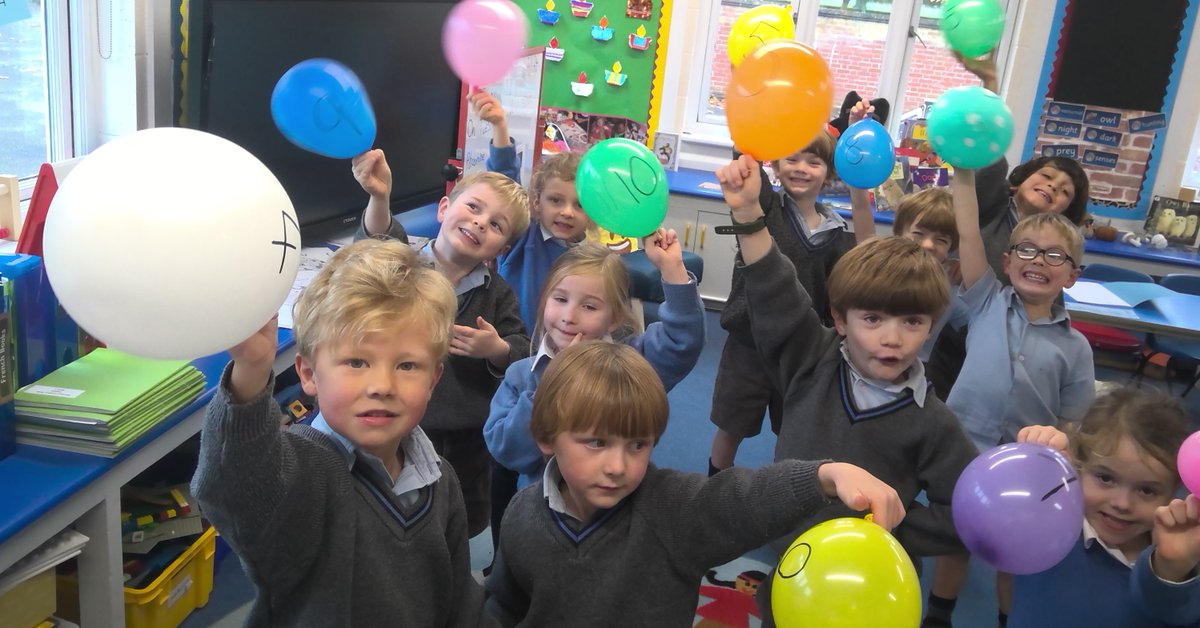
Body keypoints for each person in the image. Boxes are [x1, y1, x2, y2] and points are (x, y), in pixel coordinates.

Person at [715, 153, 980, 624]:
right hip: (794, 566)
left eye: (912, 322)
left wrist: (892, 527)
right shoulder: (811, 360)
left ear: (930, 325)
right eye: (872, 319)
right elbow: (776, 291)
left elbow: (965, 513)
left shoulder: (934, 422)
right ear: (839, 319)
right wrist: (749, 213)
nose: (892, 338)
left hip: (872, 585)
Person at [484, 341, 906, 627]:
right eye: (596, 442)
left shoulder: (672, 509)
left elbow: (743, 500)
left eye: (637, 445)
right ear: (546, 438)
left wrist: (825, 476)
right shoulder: (522, 514)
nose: (617, 466)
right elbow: (504, 604)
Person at [191, 239, 488, 627]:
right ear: (309, 374)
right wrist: (252, 371)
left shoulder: (440, 479)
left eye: (407, 366)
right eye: (357, 362)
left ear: (433, 380)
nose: (382, 386)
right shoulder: (300, 471)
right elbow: (231, 488)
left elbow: (457, 598)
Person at [925, 167, 1097, 627]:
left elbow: (1073, 423)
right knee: (956, 537)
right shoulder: (986, 299)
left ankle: (1008, 618)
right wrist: (964, 172)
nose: (1038, 260)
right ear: (1006, 261)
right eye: (1027, 249)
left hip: (1028, 466)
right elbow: (968, 230)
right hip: (963, 445)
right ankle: (938, 615)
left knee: (1018, 555)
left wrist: (1061, 455)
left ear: (1072, 276)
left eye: (1055, 255)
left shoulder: (1076, 347)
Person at [351, 154, 533, 538]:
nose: (480, 222)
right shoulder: (403, 266)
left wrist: (496, 348)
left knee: (457, 521)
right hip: (392, 422)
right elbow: (376, 245)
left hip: (462, 441)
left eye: (496, 225)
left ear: (501, 250)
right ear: (444, 208)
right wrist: (380, 197)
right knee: (381, 515)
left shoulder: (497, 294)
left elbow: (522, 349)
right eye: (474, 207)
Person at [484, 235, 704, 488]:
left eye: (589, 307)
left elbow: (682, 341)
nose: (569, 316)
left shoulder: (632, 365)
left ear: (614, 319)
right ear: (544, 302)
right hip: (543, 505)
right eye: (560, 299)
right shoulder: (522, 375)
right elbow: (505, 449)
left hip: (617, 499)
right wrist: (555, 381)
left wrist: (672, 269)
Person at [708, 130, 856, 476]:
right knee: (732, 426)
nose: (801, 168)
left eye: (813, 162)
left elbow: (836, 293)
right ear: (775, 166)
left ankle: (784, 491)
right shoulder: (766, 206)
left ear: (829, 174)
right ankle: (715, 485)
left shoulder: (837, 234)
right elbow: (746, 166)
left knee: (792, 428)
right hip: (748, 343)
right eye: (792, 159)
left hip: (799, 352)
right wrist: (748, 134)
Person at [1009, 387, 1200, 627]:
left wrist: (1171, 571)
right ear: (1079, 465)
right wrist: (1036, 461)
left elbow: (1180, 613)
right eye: (1105, 478)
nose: (1122, 503)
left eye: (1146, 490)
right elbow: (1002, 529)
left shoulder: (1180, 555)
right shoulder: (1048, 525)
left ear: (1174, 490)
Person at [497, 151, 590, 331]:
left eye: (580, 205)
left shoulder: (591, 260)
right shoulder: (522, 236)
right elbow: (504, 182)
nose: (567, 212)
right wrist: (501, 135)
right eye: (556, 200)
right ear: (537, 201)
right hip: (505, 341)